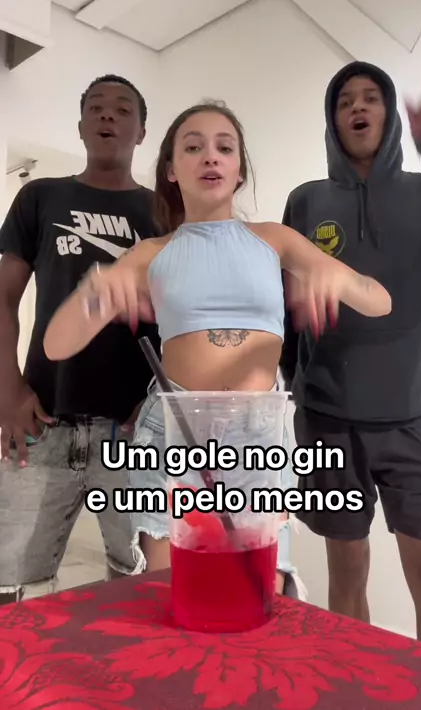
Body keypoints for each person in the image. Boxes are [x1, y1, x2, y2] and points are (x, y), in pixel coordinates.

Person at [43, 100, 391, 600]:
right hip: (173, 431)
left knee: (261, 590)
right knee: (171, 590)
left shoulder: (275, 239)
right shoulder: (150, 253)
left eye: (224, 148)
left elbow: (379, 301)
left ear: (239, 169)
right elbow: (57, 344)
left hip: (258, 431)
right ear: (171, 169)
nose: (210, 156)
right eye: (193, 147)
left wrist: (336, 281)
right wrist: (94, 291)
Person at [280, 61, 421, 651]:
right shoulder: (307, 200)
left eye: (371, 98)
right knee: (346, 569)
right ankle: (352, 686)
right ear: (332, 119)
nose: (358, 108)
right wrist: (293, 376)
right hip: (328, 420)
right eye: (345, 101)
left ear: (389, 114)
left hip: (410, 419)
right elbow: (283, 298)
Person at [0, 74, 161, 604]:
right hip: (42, 424)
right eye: (96, 107)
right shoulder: (39, 196)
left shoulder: (165, 213)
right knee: (12, 590)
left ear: (141, 131)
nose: (107, 115)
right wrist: (8, 391)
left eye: (122, 109)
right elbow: (3, 299)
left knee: (139, 589)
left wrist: (160, 406)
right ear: (81, 125)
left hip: (134, 434)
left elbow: (185, 318)